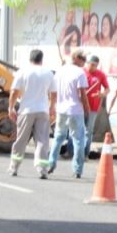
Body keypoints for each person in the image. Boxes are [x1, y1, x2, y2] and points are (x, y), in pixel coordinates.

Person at [7, 49, 56, 179]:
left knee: (21, 139)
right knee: (42, 140)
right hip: (43, 110)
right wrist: (52, 108)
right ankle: (42, 169)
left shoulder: (22, 72)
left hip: (26, 110)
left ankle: (14, 167)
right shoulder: (48, 73)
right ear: (42, 59)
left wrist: (11, 108)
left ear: (30, 59)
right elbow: (53, 93)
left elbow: (14, 92)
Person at [47, 49, 90, 178]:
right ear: (77, 58)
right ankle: (77, 170)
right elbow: (82, 93)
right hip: (75, 110)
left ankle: (51, 163)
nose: (84, 63)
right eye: (83, 60)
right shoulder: (79, 73)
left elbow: (53, 92)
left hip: (61, 109)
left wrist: (52, 106)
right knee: (78, 140)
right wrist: (87, 108)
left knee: (58, 138)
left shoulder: (60, 71)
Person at [83, 54, 110, 156]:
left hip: (93, 107)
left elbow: (107, 89)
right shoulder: (81, 72)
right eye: (91, 64)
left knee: (88, 130)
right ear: (87, 63)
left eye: (95, 65)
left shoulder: (100, 75)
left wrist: (102, 94)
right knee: (77, 130)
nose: (92, 67)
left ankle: (85, 153)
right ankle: (73, 152)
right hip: (80, 106)